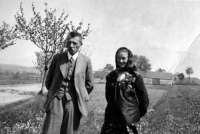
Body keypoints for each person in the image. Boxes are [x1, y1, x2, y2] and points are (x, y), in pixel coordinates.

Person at [42, 31, 94, 134]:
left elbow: (89, 84)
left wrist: (78, 94)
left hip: (74, 101)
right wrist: (55, 92)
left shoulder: (86, 60)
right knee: (50, 130)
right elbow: (49, 81)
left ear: (80, 44)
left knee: (69, 131)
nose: (71, 45)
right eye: (69, 42)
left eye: (75, 43)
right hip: (56, 99)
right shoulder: (57, 58)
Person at [100, 47, 149, 134]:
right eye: (119, 58)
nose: (121, 61)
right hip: (111, 121)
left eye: (123, 58)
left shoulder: (135, 77)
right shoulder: (111, 76)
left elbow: (144, 101)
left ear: (128, 59)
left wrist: (134, 116)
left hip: (129, 122)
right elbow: (109, 98)